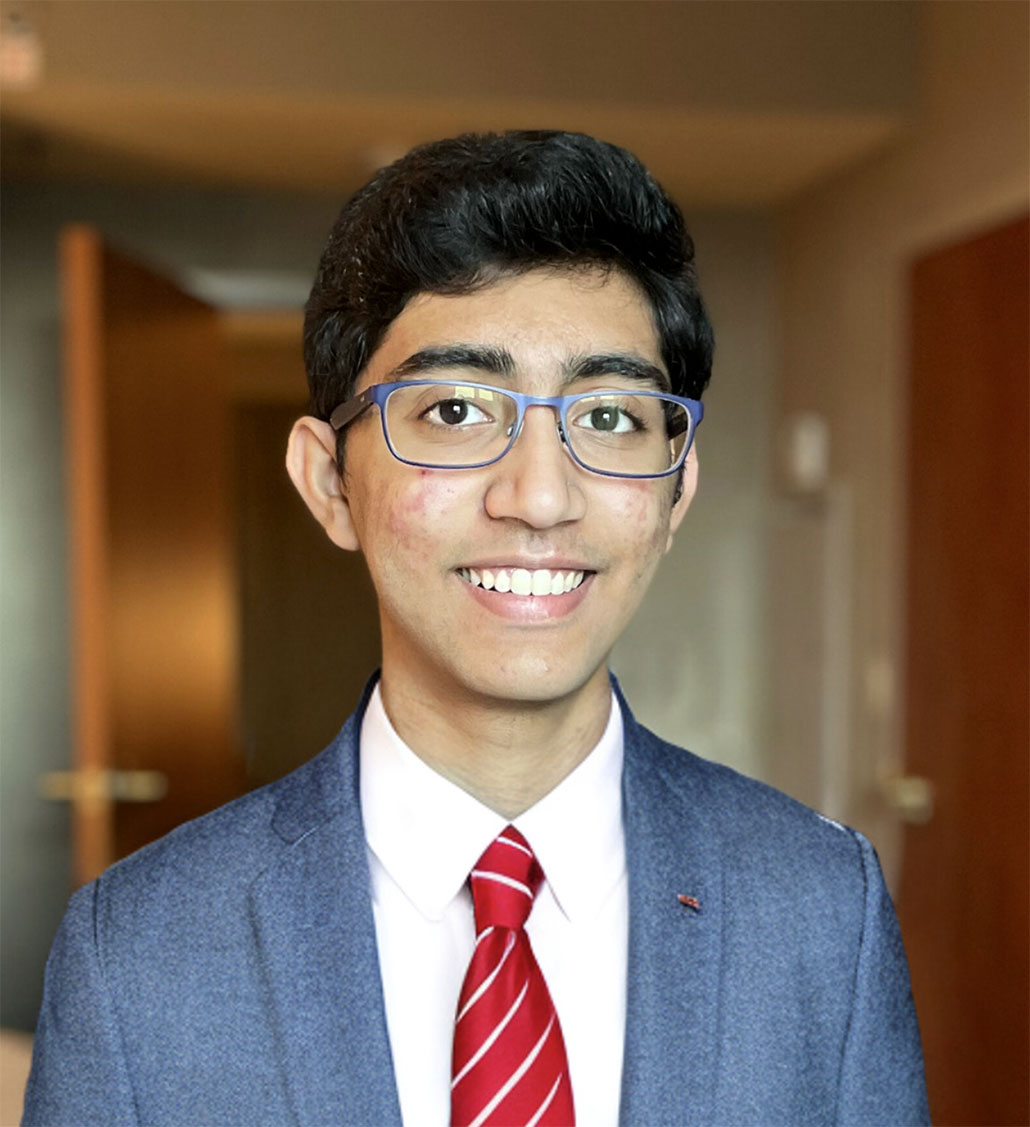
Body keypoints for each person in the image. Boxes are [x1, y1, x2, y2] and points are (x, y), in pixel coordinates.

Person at [23, 131, 928, 1127]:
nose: (539, 496)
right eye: (455, 409)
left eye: (610, 417)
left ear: (676, 493)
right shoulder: (138, 950)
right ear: (328, 482)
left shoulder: (819, 909)